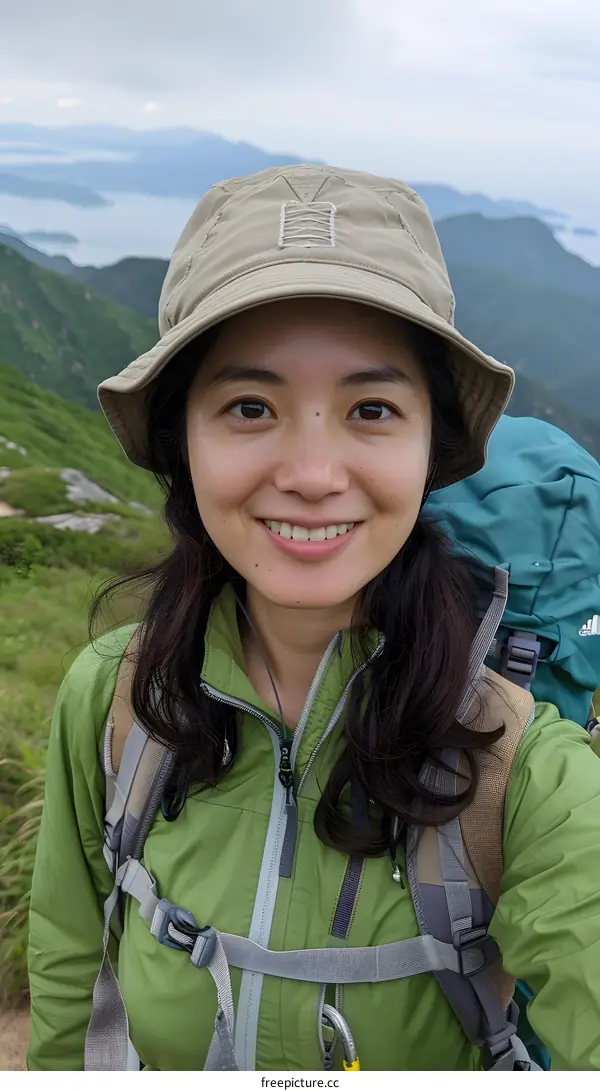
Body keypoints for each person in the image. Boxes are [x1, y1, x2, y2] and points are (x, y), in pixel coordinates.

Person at [26, 166, 600, 1071]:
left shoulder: (520, 770)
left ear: (428, 449)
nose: (312, 471)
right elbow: (68, 967)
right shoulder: (116, 699)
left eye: (372, 409)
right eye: (250, 406)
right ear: (184, 439)